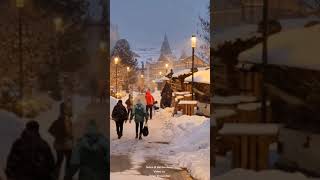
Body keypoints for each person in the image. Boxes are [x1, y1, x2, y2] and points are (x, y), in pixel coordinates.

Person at [48, 102, 73, 179]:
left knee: (61, 161)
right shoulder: (65, 120)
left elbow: (51, 130)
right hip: (65, 144)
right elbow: (51, 130)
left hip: (62, 144)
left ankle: (57, 177)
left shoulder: (62, 120)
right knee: (65, 162)